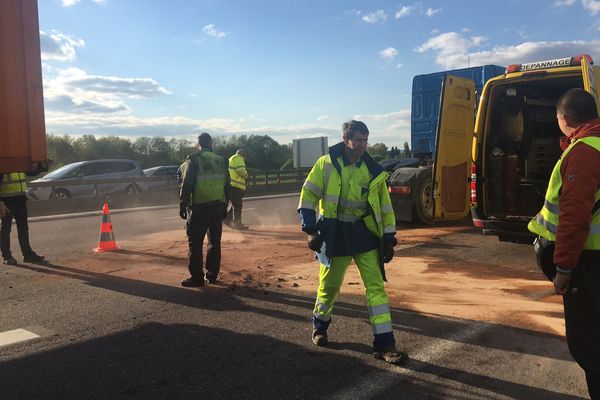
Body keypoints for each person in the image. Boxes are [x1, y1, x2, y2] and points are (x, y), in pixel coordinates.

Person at [297, 120, 407, 364]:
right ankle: (320, 327)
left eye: (365, 140)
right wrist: (310, 230)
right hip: (335, 235)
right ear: (346, 138)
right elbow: (308, 195)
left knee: (376, 289)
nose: (362, 145)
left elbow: (385, 208)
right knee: (329, 287)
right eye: (358, 139)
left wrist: (389, 238)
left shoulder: (373, 169)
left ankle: (385, 344)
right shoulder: (326, 164)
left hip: (364, 236)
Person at [528, 88, 600, 399]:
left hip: (589, 263)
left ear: (564, 119)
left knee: (588, 344)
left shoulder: (584, 151)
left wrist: (564, 267)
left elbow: (574, 216)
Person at [179, 133, 229, 287]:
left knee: (195, 241)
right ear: (211, 144)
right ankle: (212, 275)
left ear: (198, 144)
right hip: (218, 205)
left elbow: (187, 183)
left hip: (201, 206)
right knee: (215, 241)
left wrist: (183, 203)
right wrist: (225, 205)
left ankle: (197, 277)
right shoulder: (221, 160)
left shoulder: (194, 159)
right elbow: (228, 184)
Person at [0, 172, 45, 265]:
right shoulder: (4, 162)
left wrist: (42, 165)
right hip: (6, 201)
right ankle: (6, 256)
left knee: (23, 228)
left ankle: (28, 254)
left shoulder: (21, 162)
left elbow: (31, 172)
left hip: (20, 199)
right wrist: (0, 202)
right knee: (5, 229)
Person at [226, 148, 249, 230]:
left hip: (230, 185)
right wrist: (246, 176)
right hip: (236, 186)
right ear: (243, 154)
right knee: (238, 206)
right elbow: (241, 170)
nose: (245, 158)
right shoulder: (238, 158)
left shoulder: (231, 159)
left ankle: (228, 220)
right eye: (245, 156)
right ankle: (237, 224)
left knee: (232, 204)